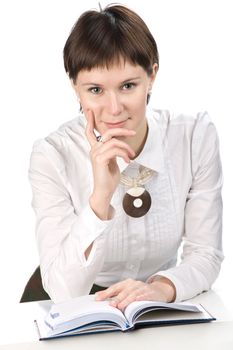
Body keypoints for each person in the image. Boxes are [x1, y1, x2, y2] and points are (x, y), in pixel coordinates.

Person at [28, 4, 223, 309]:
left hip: (155, 303)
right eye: (95, 90)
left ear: (152, 76)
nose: (115, 108)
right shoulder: (52, 155)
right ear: (75, 88)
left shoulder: (193, 136)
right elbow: (63, 291)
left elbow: (206, 253)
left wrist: (163, 288)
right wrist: (101, 198)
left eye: (128, 86)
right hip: (75, 303)